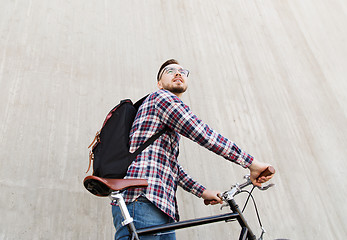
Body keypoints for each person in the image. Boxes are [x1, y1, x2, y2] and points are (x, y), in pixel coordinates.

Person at [111, 59, 273, 240]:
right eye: (170, 71)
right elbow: (202, 133)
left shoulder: (162, 115)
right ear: (159, 84)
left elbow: (171, 167)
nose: (178, 73)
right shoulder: (161, 98)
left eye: (182, 71)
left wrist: (202, 191)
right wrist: (251, 163)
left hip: (160, 206)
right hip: (143, 201)